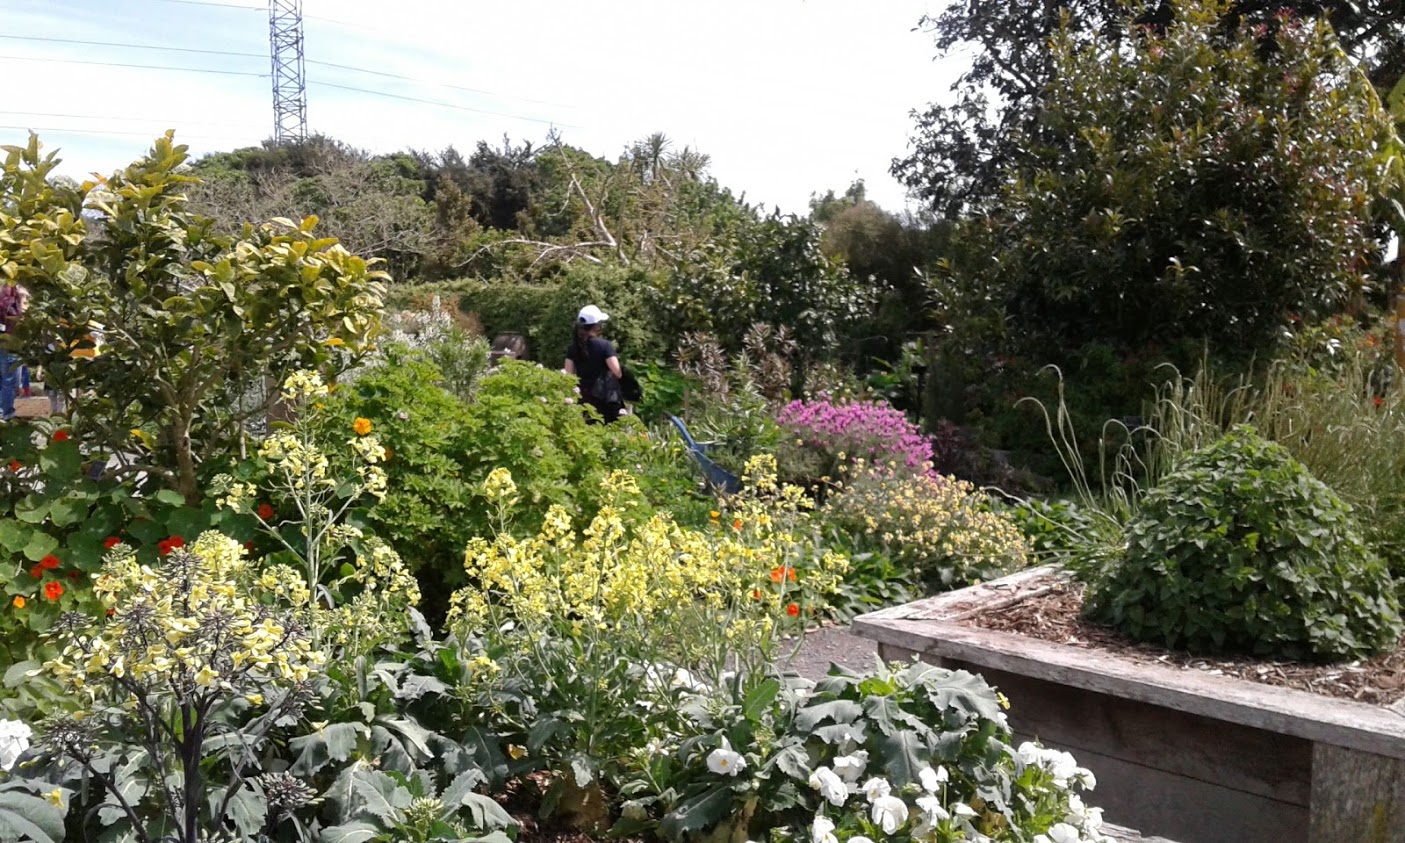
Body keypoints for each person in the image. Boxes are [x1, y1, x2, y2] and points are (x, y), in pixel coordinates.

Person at [564, 304, 625, 423]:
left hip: (583, 397)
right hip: (603, 397)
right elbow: (617, 372)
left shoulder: (573, 348)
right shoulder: (605, 345)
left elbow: (567, 376)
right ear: (596, 326)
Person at [0, 283, 27, 422]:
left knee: (6, 381)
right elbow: (19, 318)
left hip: (5, 341)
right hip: (10, 343)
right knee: (10, 382)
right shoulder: (12, 295)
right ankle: (5, 414)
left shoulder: (5, 292)